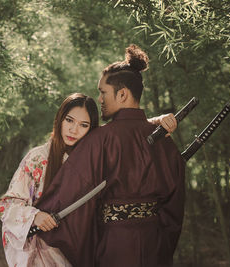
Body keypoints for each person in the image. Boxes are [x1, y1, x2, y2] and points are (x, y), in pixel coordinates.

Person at [35, 44, 185, 267]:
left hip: (114, 246)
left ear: (122, 94)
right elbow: (175, 206)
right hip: (156, 246)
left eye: (103, 92)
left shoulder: (100, 139)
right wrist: (161, 243)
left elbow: (69, 192)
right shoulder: (165, 141)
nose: (100, 99)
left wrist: (39, 217)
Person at [0, 91, 177, 266]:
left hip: (85, 250)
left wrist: (156, 123)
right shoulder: (37, 159)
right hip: (43, 252)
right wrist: (34, 216)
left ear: (91, 130)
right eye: (69, 120)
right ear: (59, 119)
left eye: (84, 125)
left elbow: (123, 136)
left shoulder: (95, 159)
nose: (74, 130)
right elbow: (7, 205)